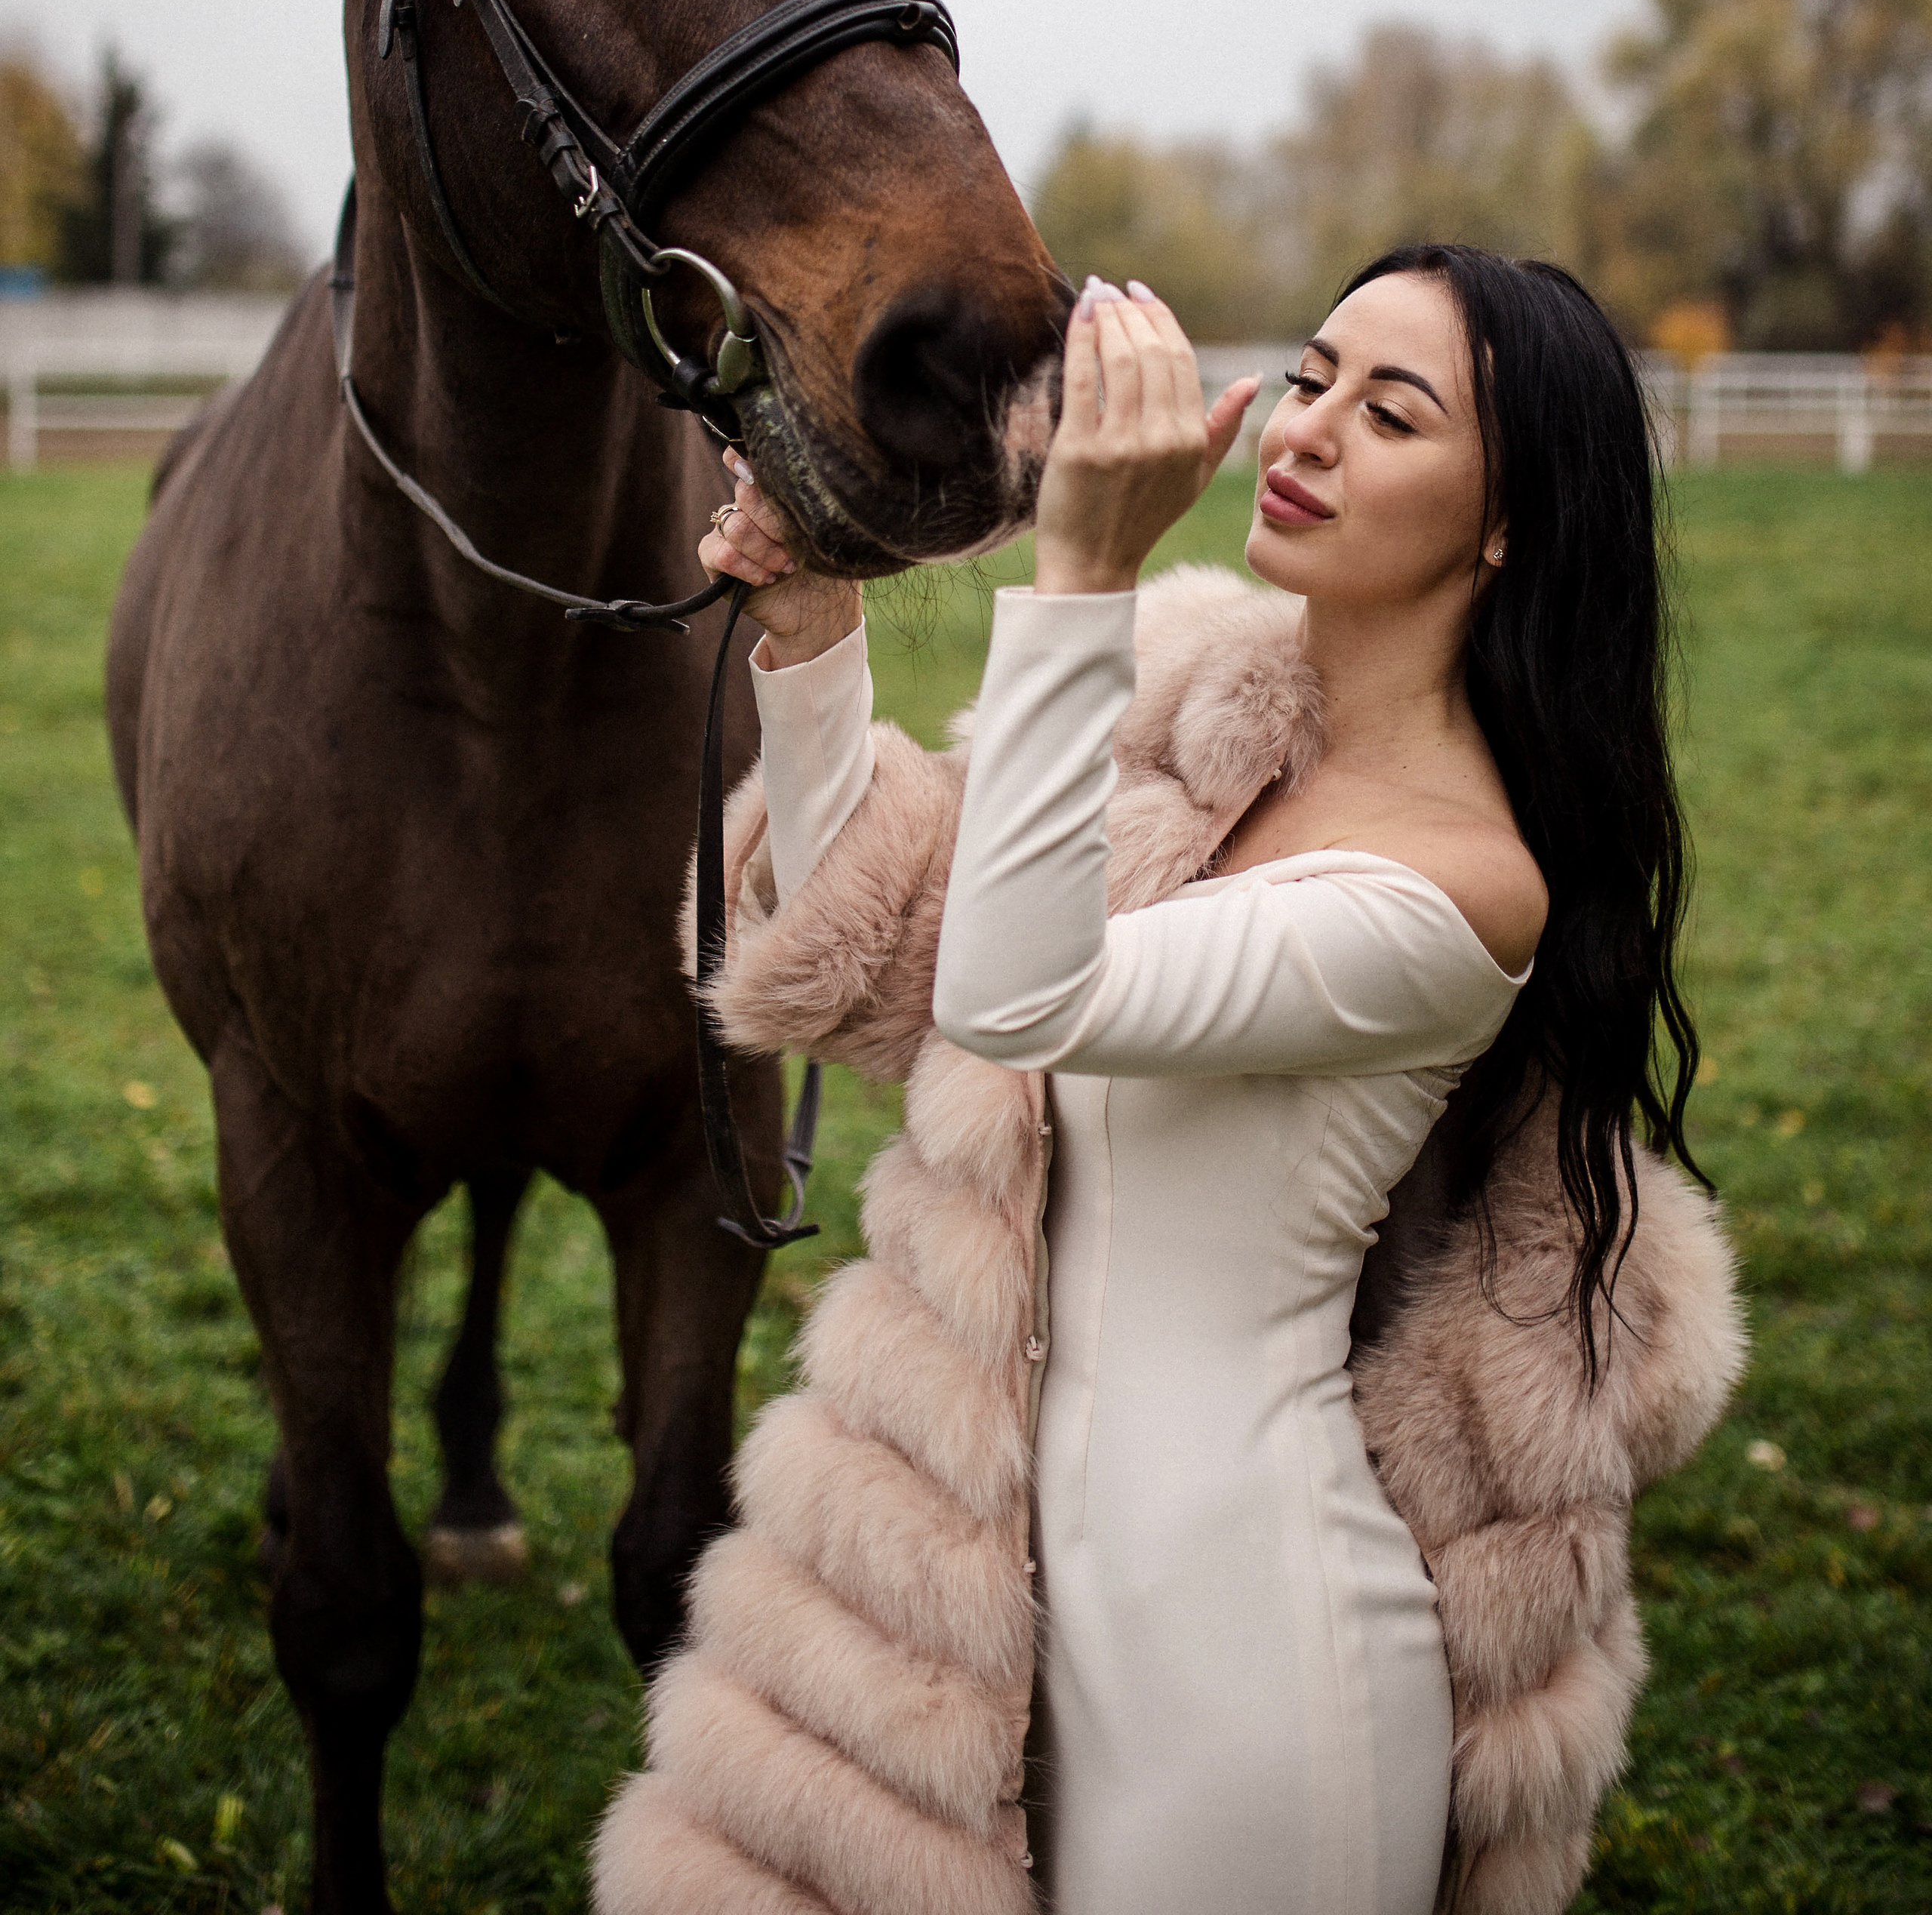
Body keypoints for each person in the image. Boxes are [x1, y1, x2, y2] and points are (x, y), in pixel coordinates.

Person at [592, 247, 1744, 1915]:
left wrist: (1077, 566)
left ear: (1506, 521)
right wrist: (810, 634)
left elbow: (1026, 988)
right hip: (964, 1594)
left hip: (1240, 1657)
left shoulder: (1460, 884)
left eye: (1393, 411)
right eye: (1313, 378)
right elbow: (916, 954)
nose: (1312, 429)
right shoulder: (1194, 711)